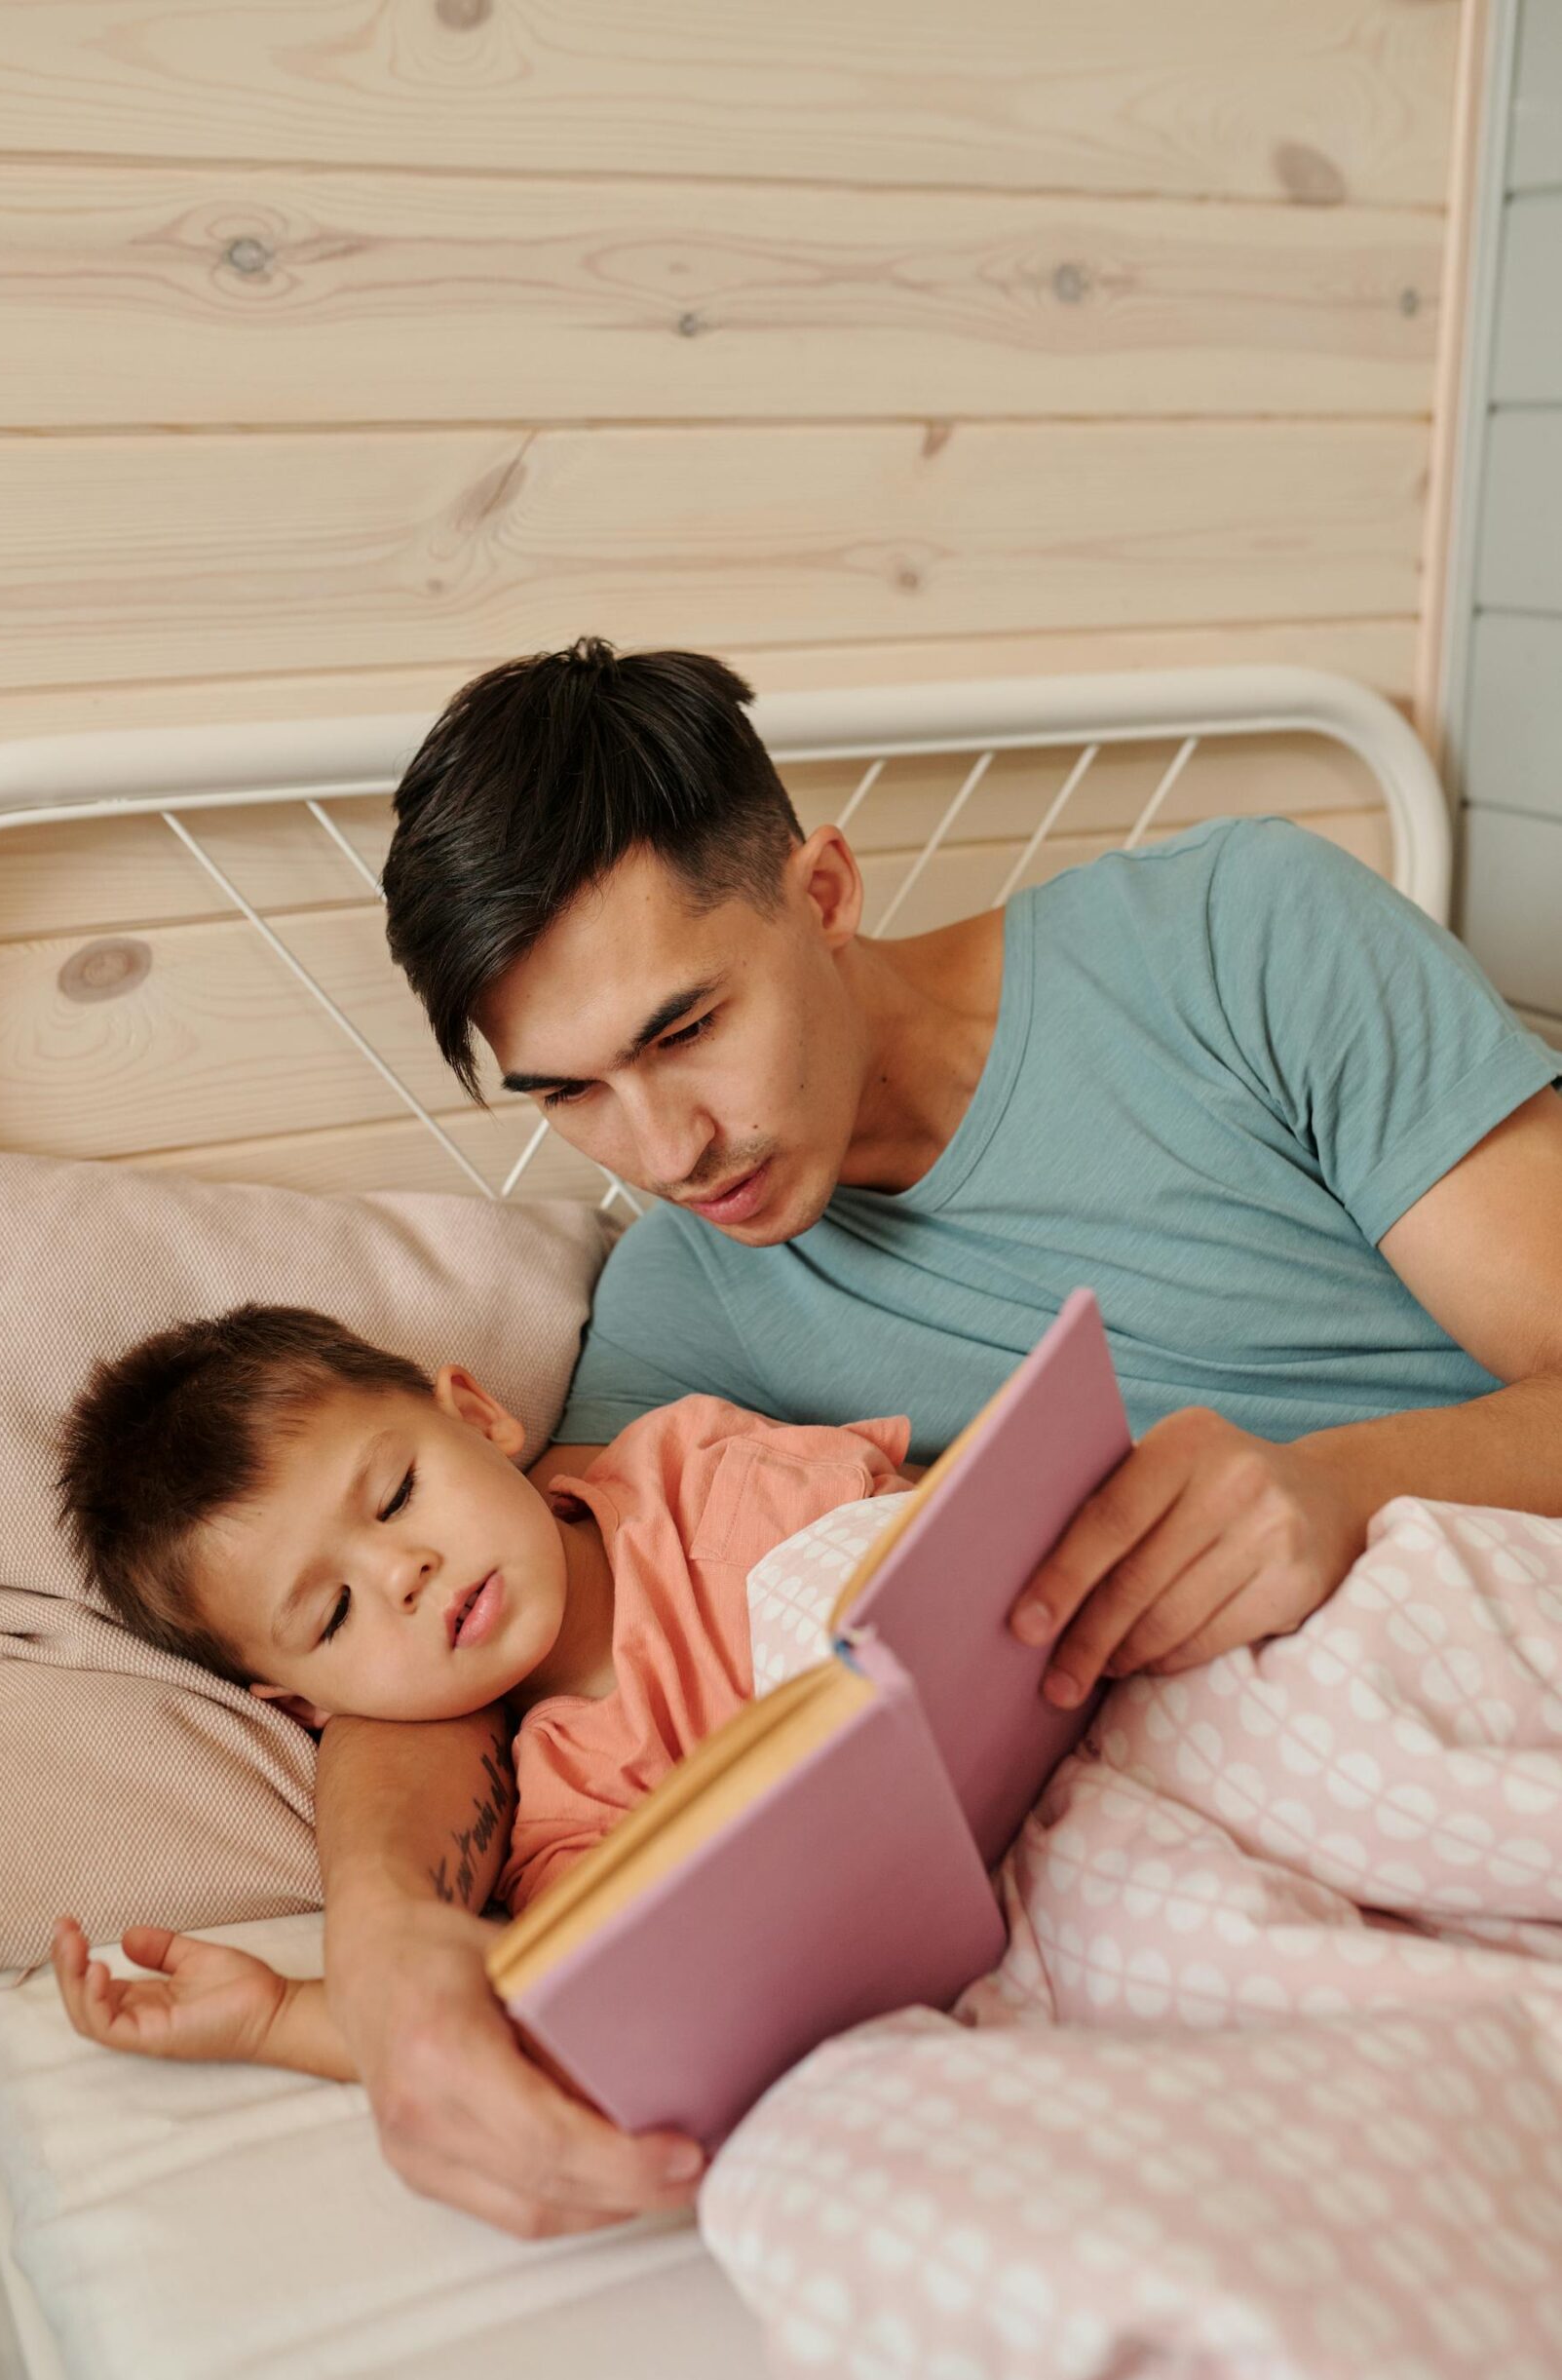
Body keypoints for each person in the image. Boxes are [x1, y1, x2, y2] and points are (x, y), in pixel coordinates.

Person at [315, 636, 1562, 2238]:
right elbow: (461, 1661)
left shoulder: (1242, 940)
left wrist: (1340, 1485)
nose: (665, 1149)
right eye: (572, 1095)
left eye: (686, 1028)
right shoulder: (685, 1318)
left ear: (822, 891)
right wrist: (381, 1943)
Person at [50, 1303, 910, 2122]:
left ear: (477, 1415)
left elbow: (959, 1545)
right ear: (312, 1705)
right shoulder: (564, 1814)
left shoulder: (703, 1474)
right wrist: (288, 2019)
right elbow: (649, 2012)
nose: (402, 1572)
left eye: (395, 1496)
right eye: (334, 1614)